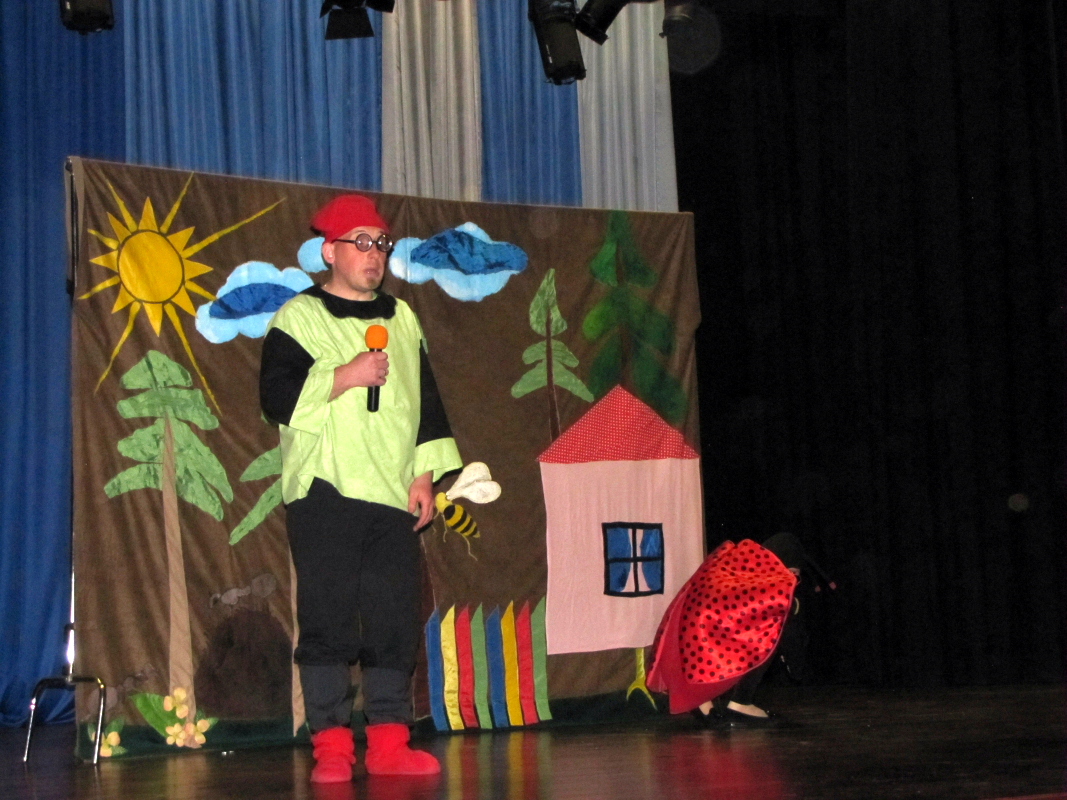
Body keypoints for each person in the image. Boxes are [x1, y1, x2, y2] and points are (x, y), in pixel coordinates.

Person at [259, 194, 462, 783]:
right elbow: (276, 397)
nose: (375, 255)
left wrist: (423, 473)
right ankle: (331, 747)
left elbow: (424, 401)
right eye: (362, 243)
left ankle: (390, 744)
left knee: (393, 619)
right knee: (327, 619)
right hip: (326, 489)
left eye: (382, 244)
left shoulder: (403, 319)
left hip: (392, 490)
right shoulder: (298, 317)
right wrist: (345, 375)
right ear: (330, 251)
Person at [646, 533, 830, 727]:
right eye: (791, 572)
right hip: (702, 644)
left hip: (691, 647)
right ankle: (741, 701)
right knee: (772, 627)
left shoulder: (739, 560)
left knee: (766, 625)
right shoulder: (768, 586)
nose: (792, 580)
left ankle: (702, 701)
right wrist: (796, 665)